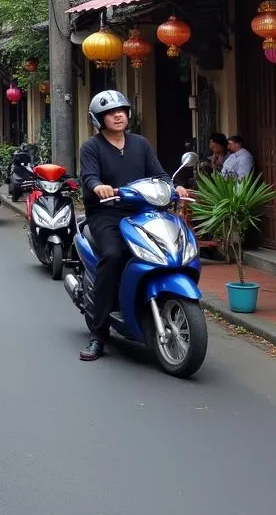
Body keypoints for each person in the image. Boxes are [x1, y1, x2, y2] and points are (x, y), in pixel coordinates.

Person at [78, 90, 189, 362]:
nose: (118, 115)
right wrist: (98, 187)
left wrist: (175, 187)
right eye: (110, 112)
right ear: (99, 119)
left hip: (144, 212)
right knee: (114, 256)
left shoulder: (140, 143)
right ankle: (99, 334)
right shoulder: (91, 147)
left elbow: (159, 174)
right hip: (107, 214)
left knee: (170, 248)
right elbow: (89, 177)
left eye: (122, 110)